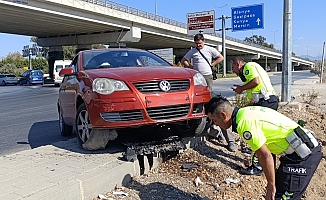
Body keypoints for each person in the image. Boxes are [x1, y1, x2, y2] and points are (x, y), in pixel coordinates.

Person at [204, 97, 322, 200]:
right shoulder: (245, 112)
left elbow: (264, 155)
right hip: (297, 153)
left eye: (215, 120)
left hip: (303, 156)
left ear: (223, 115)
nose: (215, 124)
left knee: (282, 197)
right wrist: (273, 180)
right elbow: (269, 150)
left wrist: (271, 185)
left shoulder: (244, 123)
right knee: (278, 192)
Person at [181, 33, 235, 152]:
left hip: (207, 76)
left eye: (200, 43)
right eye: (196, 44)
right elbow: (183, 60)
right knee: (201, 105)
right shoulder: (193, 51)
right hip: (196, 76)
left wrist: (212, 65)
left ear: (203, 41)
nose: (198, 45)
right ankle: (216, 133)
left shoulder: (209, 49)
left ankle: (230, 141)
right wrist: (191, 67)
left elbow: (221, 57)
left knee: (210, 102)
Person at [231, 56, 279, 175]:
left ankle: (258, 166)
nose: (233, 71)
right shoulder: (251, 71)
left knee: (258, 135)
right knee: (266, 135)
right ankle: (269, 164)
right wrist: (249, 106)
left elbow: (256, 81)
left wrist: (241, 88)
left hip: (266, 102)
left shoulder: (248, 67)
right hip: (266, 101)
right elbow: (257, 91)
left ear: (238, 64)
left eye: (233, 68)